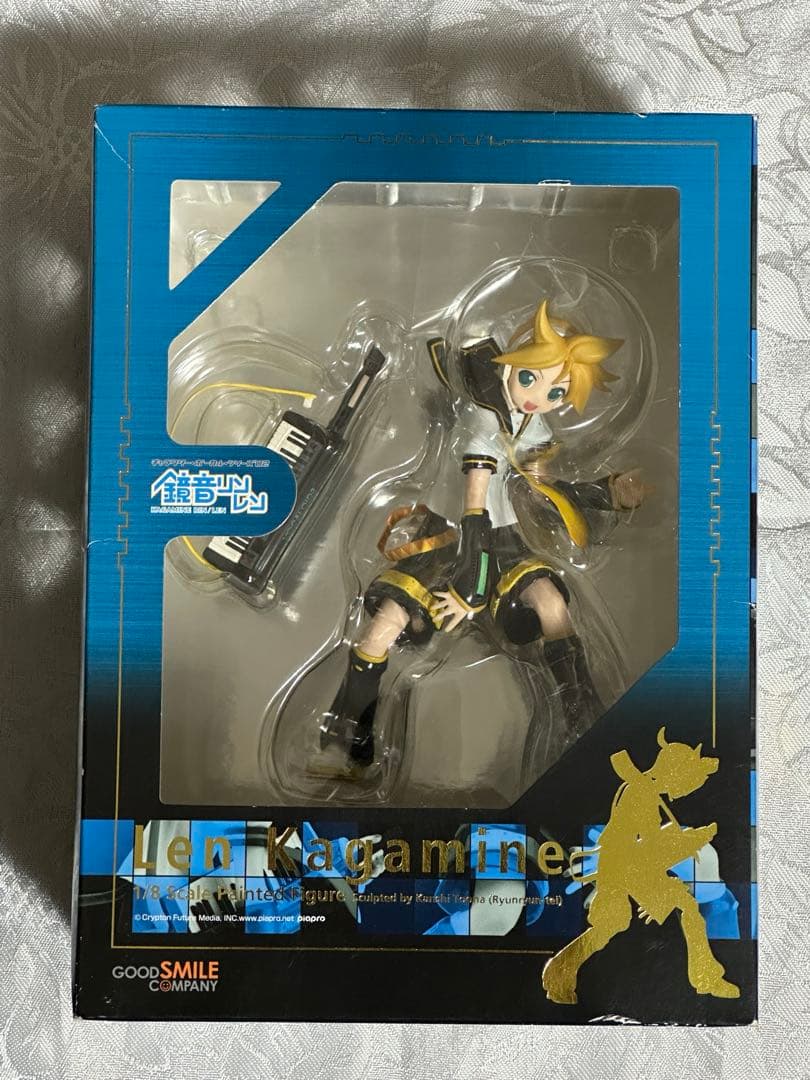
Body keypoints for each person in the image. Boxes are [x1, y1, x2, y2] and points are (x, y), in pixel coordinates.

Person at [320, 299, 649, 766]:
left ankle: (581, 711)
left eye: (557, 390)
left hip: (507, 539)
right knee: (384, 625)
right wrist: (471, 588)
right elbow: (474, 507)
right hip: (452, 538)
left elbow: (544, 491)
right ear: (511, 365)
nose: (538, 396)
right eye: (531, 378)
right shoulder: (483, 421)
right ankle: (350, 726)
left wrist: (608, 492)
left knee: (553, 604)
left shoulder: (535, 426)